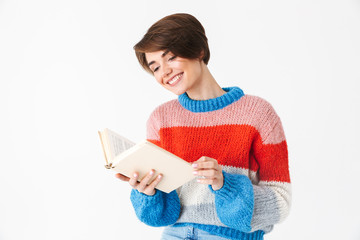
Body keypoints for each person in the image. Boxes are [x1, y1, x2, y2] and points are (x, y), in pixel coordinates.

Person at [115, 13, 291, 240]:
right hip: (173, 234)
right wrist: (147, 193)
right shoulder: (160, 120)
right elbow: (159, 215)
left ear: (198, 51)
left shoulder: (258, 114)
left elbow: (281, 202)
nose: (164, 72)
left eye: (170, 58)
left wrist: (225, 185)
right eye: (155, 67)